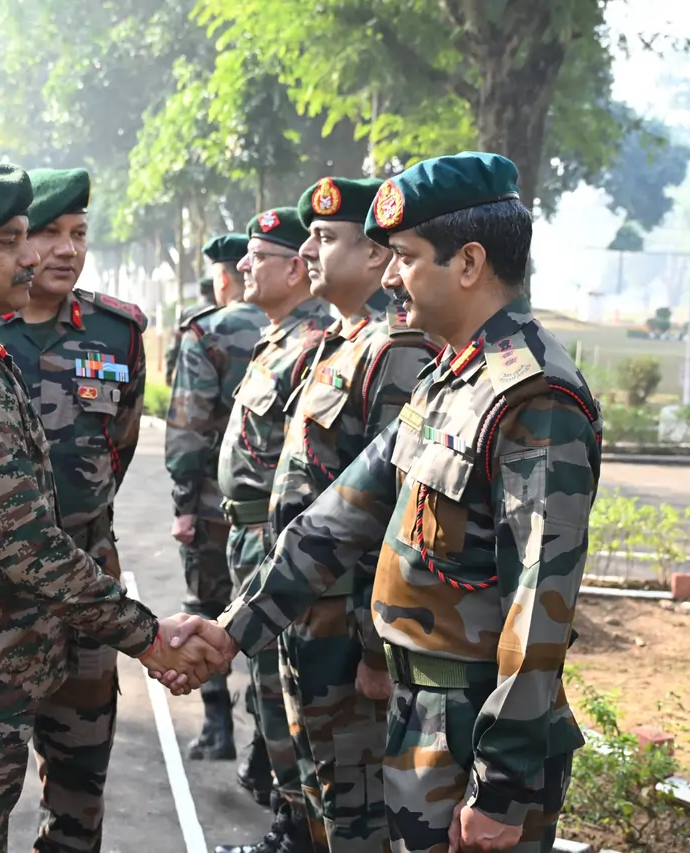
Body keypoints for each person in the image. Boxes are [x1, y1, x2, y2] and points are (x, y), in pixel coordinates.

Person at [165, 152, 603, 853]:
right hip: (417, 714)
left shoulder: (534, 395)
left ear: (467, 263)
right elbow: (341, 517)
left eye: (403, 256)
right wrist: (231, 630)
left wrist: (503, 784)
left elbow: (541, 606)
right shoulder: (451, 378)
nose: (390, 275)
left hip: (472, 734)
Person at [0, 161, 228, 853]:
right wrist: (148, 635)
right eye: (9, 242)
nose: (31, 258)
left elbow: (104, 462)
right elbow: (30, 545)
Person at [262, 177, 438, 853]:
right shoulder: (339, 342)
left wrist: (374, 647)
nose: (307, 249)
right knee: (319, 800)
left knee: (357, 810)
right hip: (305, 614)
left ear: (374, 257)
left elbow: (390, 515)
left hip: (345, 629)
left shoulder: (394, 351)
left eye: (326, 238)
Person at [0, 166, 148, 853]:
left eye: (78, 233)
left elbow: (120, 447)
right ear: (15, 240)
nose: (65, 248)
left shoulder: (116, 331)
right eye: (48, 232)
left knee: (80, 777)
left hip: (86, 584)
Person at [213, 207, 333, 847]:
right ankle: (289, 821)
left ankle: (298, 826)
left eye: (257, 258)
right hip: (248, 539)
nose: (241, 268)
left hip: (277, 542)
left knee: (287, 695)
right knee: (267, 689)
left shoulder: (315, 345)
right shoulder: (278, 337)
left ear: (293, 268)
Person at [165, 231, 264, 762]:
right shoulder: (313, 328)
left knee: (205, 608)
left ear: (222, 278)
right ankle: (267, 749)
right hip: (286, 515)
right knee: (272, 618)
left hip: (212, 504)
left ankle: (217, 730)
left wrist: (183, 503)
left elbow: (187, 427)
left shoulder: (208, 332)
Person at [166, 276, 216, 385]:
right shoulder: (223, 311)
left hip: (189, 369)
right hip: (216, 371)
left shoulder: (187, 313)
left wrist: (169, 371)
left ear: (200, 291)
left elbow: (175, 343)